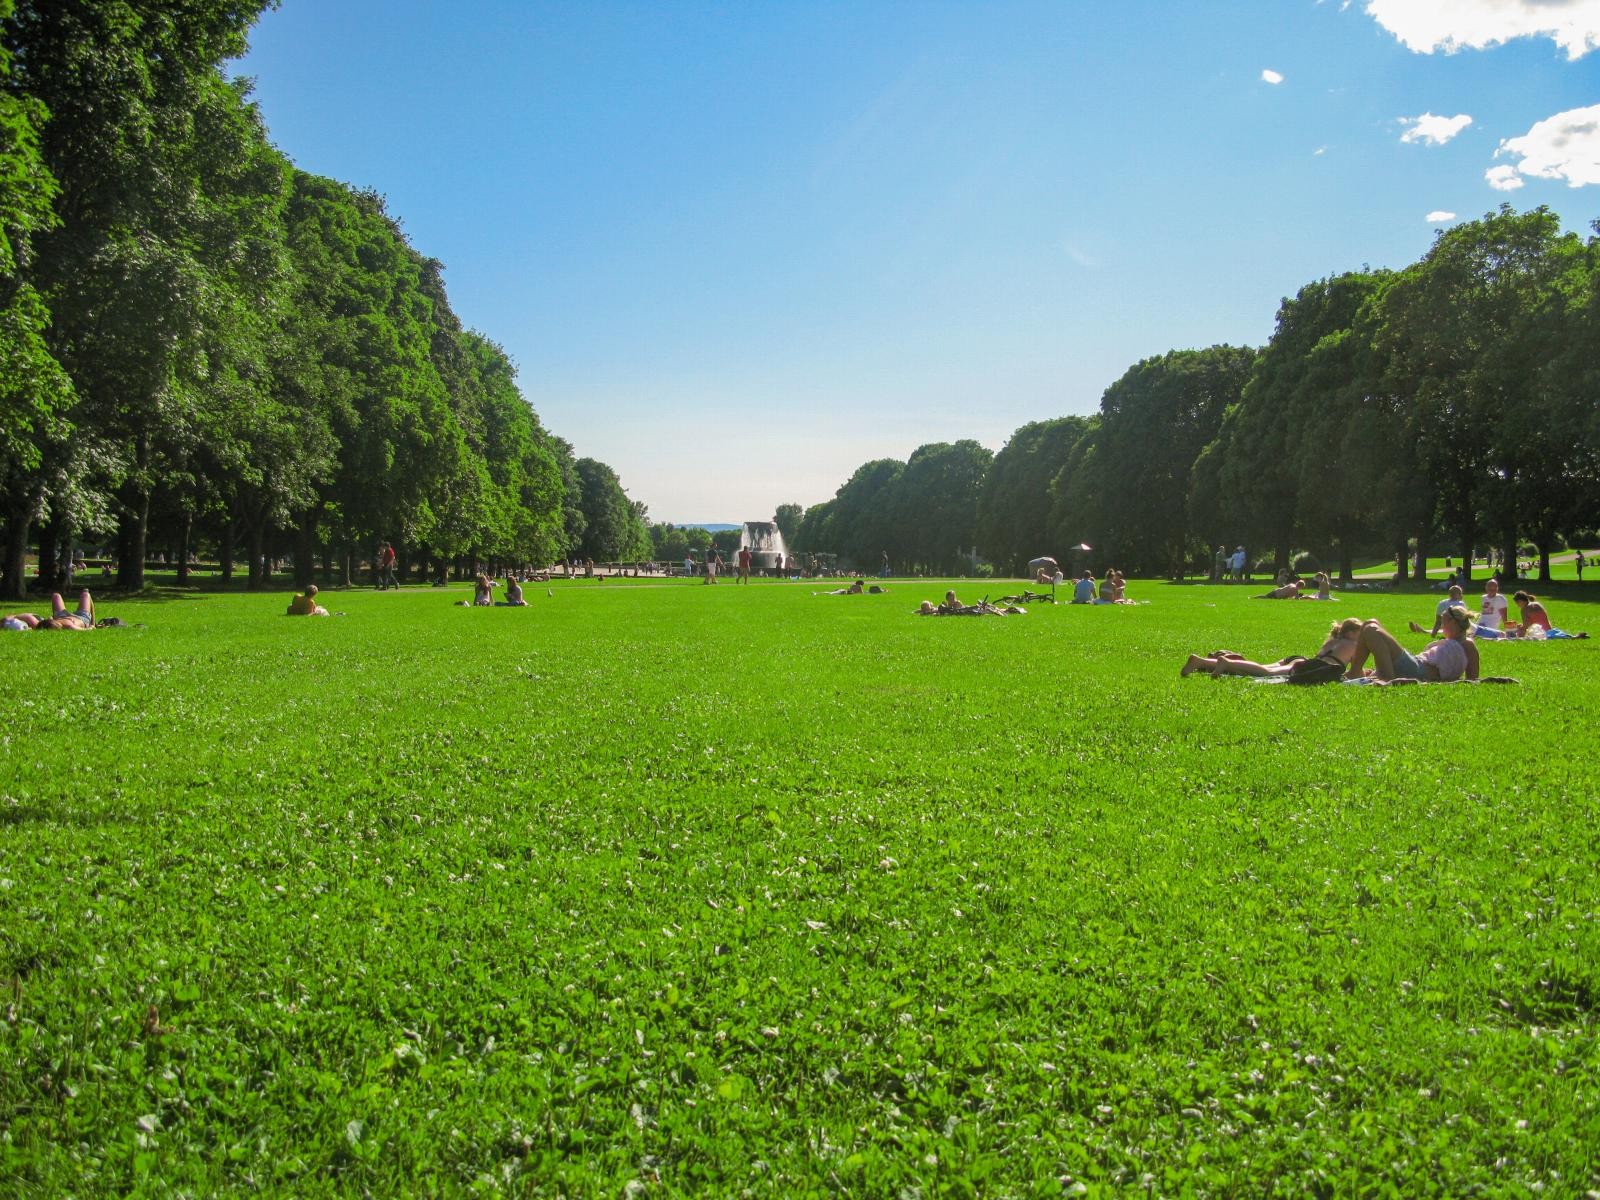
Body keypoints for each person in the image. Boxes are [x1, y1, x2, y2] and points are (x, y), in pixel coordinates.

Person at [1182, 617, 1366, 679]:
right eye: (1360, 633)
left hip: (1304, 661)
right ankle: (1225, 662)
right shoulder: (1352, 644)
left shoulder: (1333, 639)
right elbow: (1355, 671)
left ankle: (1201, 661)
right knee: (1265, 672)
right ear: (1351, 633)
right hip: (1307, 666)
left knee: (1264, 667)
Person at [1346, 607, 1479, 683]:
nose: (1441, 627)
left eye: (1443, 623)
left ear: (1454, 623)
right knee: (1370, 623)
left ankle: (1384, 676)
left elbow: (1472, 679)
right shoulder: (1452, 643)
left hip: (1418, 670)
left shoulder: (1467, 644)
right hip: (1414, 665)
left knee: (1370, 628)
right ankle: (1358, 672)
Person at [1510, 590, 1587, 638]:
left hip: (1541, 633)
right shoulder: (1537, 604)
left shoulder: (1525, 609)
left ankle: (1574, 637)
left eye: (1517, 603)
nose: (1517, 606)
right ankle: (1574, 637)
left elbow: (1526, 626)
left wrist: (1517, 628)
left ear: (1520, 601)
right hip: (1550, 630)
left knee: (1517, 632)